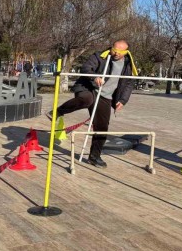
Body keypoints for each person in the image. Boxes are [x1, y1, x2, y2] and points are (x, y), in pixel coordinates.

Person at [55, 40, 137, 168]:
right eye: (114, 49)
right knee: (87, 99)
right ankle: (58, 111)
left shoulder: (127, 64)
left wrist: (123, 100)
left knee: (102, 127)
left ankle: (94, 156)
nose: (116, 53)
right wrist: (94, 77)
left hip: (105, 96)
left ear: (126, 52)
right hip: (89, 88)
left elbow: (129, 83)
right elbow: (86, 68)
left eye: (120, 51)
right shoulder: (100, 56)